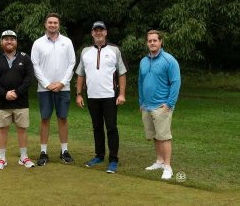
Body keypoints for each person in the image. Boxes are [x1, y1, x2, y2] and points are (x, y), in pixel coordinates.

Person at [75, 21, 127, 174]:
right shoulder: (85, 51)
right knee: (97, 127)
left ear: (106, 32)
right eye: (95, 30)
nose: (98, 33)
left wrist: (122, 94)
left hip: (110, 96)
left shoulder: (115, 50)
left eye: (101, 30)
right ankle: (99, 155)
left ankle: (113, 159)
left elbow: (122, 73)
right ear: (92, 33)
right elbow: (80, 74)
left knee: (111, 127)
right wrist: (78, 94)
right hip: (92, 96)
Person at [31, 13, 76, 166]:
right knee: (45, 118)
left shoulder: (67, 42)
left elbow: (72, 63)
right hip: (44, 89)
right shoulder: (38, 43)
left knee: (62, 118)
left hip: (64, 88)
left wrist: (62, 83)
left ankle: (64, 151)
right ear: (45, 24)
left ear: (59, 24)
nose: (52, 25)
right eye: (50, 22)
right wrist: (47, 84)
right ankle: (43, 152)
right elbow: (35, 65)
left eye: (55, 23)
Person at [0, 30, 35, 170]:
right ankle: (2, 158)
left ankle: (23, 157)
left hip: (21, 101)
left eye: (12, 39)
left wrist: (16, 92)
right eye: (6, 39)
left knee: (22, 129)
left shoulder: (25, 58)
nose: (9, 41)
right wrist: (4, 93)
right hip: (2, 101)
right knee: (3, 130)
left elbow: (29, 79)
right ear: (1, 42)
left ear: (16, 42)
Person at [138, 30, 181, 179]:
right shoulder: (144, 61)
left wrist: (169, 104)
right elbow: (141, 82)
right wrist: (141, 102)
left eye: (155, 40)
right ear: (147, 43)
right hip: (147, 106)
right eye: (149, 41)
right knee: (155, 135)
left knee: (164, 137)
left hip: (162, 106)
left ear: (161, 42)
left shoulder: (169, 60)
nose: (152, 43)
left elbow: (176, 82)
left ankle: (168, 167)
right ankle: (159, 161)